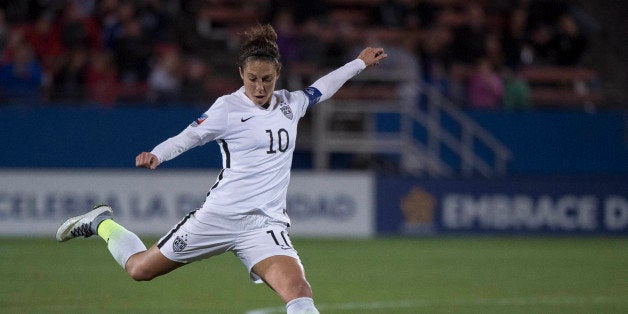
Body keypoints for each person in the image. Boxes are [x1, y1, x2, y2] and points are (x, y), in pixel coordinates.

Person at [56, 24, 387, 314]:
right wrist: (158, 154)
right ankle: (101, 222)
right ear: (241, 74)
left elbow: (324, 87)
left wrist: (359, 63)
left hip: (264, 226)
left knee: (299, 293)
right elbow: (191, 135)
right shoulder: (228, 108)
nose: (260, 87)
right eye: (253, 79)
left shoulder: (291, 103)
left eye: (267, 80)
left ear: (278, 73)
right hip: (219, 217)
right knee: (140, 269)